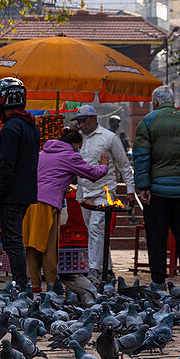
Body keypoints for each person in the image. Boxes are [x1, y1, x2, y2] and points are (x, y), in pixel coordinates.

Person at [133, 86, 180, 285]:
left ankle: (158, 279)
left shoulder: (148, 122)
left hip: (157, 191)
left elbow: (141, 157)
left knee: (157, 236)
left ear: (155, 102)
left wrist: (142, 186)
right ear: (172, 101)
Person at [24, 127, 108, 292]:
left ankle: (34, 285)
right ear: (76, 144)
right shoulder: (71, 155)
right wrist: (104, 166)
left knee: (32, 244)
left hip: (30, 202)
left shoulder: (42, 153)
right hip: (47, 204)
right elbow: (93, 174)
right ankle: (51, 285)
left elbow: (46, 176)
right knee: (48, 247)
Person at [71, 105, 135, 282]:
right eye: (79, 122)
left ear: (94, 118)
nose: (81, 125)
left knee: (95, 229)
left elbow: (123, 165)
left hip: (104, 193)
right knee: (96, 232)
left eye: (83, 121)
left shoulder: (109, 138)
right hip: (84, 193)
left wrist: (130, 190)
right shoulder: (79, 140)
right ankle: (107, 268)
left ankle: (94, 270)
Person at [0, 77, 39, 288]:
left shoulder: (10, 128)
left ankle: (21, 284)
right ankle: (21, 282)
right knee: (15, 239)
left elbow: (5, 168)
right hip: (26, 193)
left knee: (13, 240)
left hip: (12, 194)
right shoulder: (30, 125)